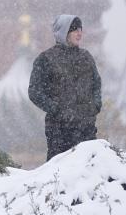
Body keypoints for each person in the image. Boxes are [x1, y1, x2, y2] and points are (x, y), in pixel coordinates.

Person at [28, 14, 102, 160]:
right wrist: (56, 109)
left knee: (88, 173)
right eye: (74, 29)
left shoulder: (86, 57)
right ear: (63, 32)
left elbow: (96, 84)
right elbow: (35, 91)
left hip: (86, 128)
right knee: (60, 174)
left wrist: (95, 106)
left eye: (80, 29)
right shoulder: (46, 59)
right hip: (59, 131)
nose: (79, 33)